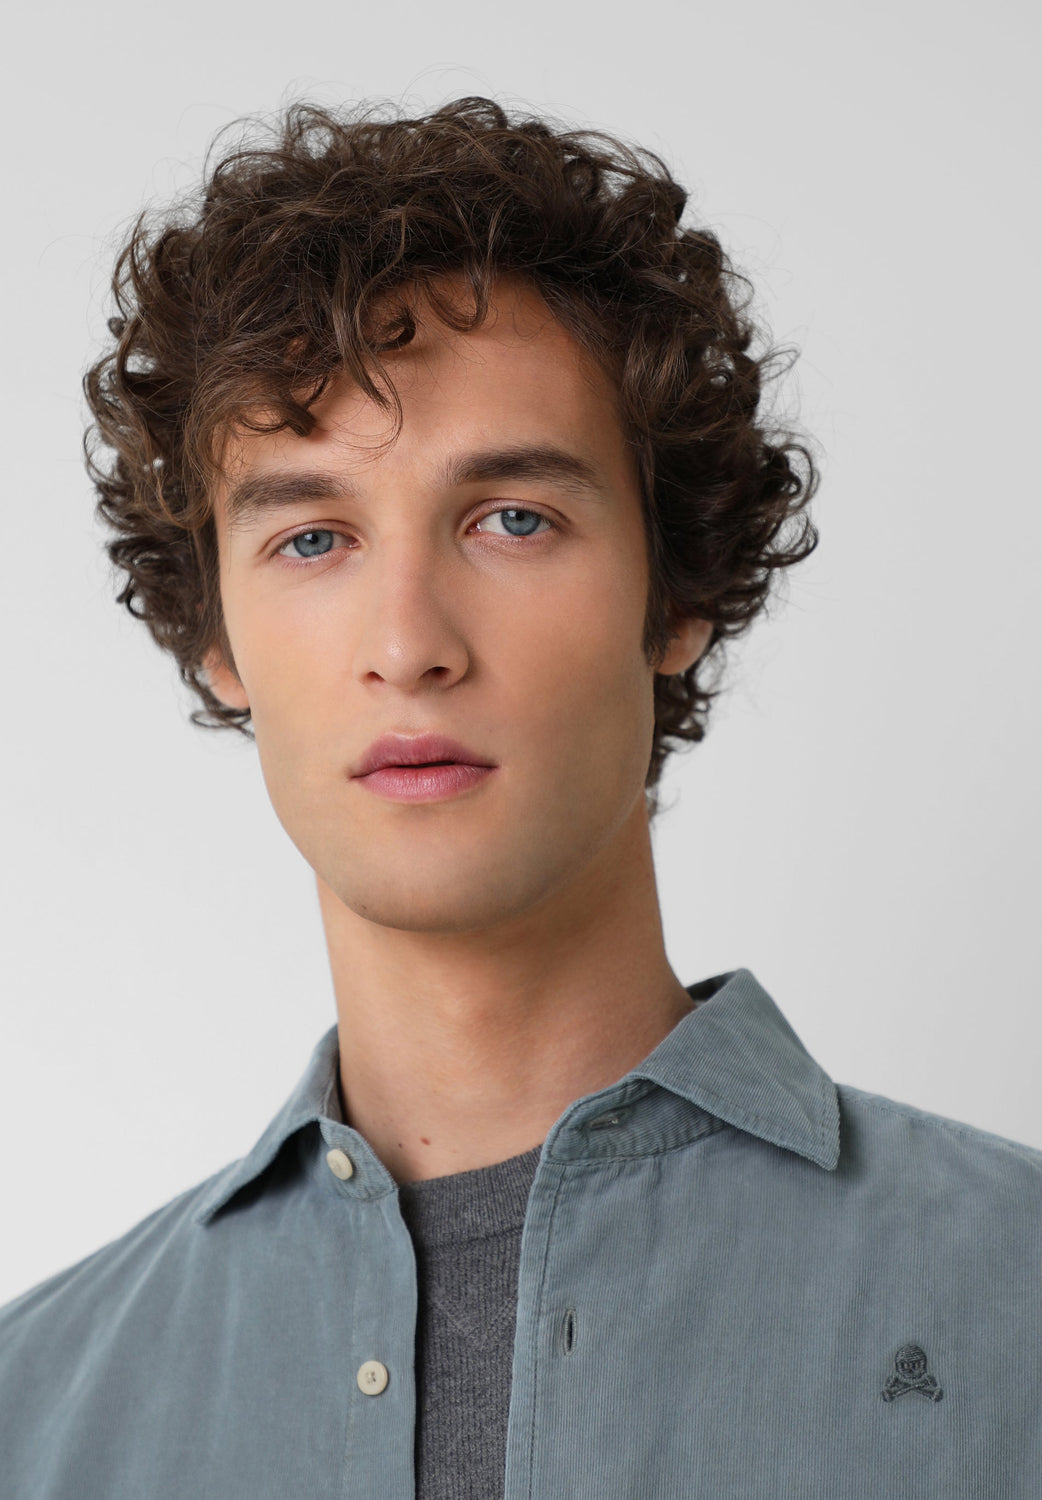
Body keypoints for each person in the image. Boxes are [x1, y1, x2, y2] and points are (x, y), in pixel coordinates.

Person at [1, 95, 1039, 1498]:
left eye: (511, 520)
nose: (408, 642)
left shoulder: (1017, 1298)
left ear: (677, 594)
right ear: (217, 636)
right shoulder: (34, 1415)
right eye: (312, 538)